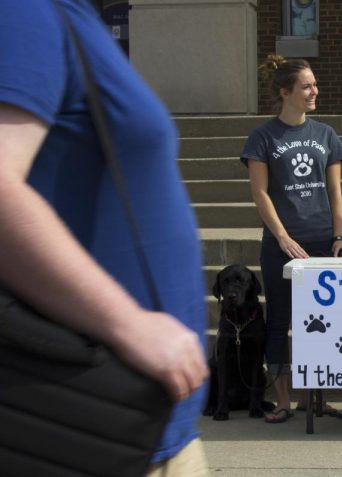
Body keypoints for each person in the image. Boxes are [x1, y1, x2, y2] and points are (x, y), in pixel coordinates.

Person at [0, 0, 209, 474]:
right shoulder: (24, 11)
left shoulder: (73, 17)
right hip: (87, 426)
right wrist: (127, 323)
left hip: (144, 426)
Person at [240, 55, 342, 424]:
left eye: (314, 85)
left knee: (322, 322)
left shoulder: (326, 135)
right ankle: (284, 400)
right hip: (282, 246)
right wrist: (282, 236)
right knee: (280, 321)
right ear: (285, 92)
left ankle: (313, 398)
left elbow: (335, 192)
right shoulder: (263, 137)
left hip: (322, 244)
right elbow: (260, 194)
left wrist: (339, 236)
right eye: (306, 86)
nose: (314, 91)